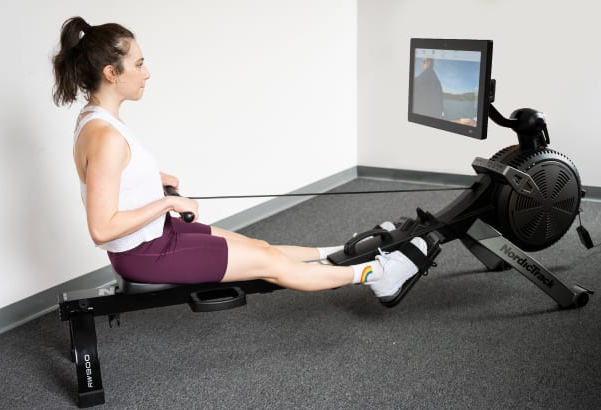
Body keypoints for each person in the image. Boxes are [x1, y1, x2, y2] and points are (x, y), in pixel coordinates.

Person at [51, 17, 428, 301]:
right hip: (145, 253)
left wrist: (153, 178)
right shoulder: (104, 135)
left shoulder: (97, 118)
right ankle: (378, 274)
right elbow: (101, 228)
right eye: (138, 64)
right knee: (271, 266)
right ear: (111, 73)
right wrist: (166, 200)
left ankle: (336, 252)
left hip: (156, 235)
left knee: (260, 247)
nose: (147, 73)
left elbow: (117, 179)